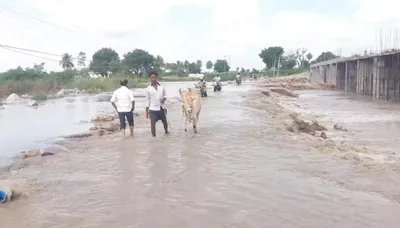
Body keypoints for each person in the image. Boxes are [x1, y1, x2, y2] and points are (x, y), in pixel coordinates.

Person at [145, 71, 169, 137]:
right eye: (151, 78)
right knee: (152, 124)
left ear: (156, 78)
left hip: (162, 108)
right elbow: (147, 100)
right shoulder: (148, 88)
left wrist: (164, 99)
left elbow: (166, 95)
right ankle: (154, 138)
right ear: (149, 78)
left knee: (165, 122)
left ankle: (166, 132)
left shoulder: (162, 87)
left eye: (154, 77)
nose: (153, 79)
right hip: (152, 109)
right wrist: (146, 111)